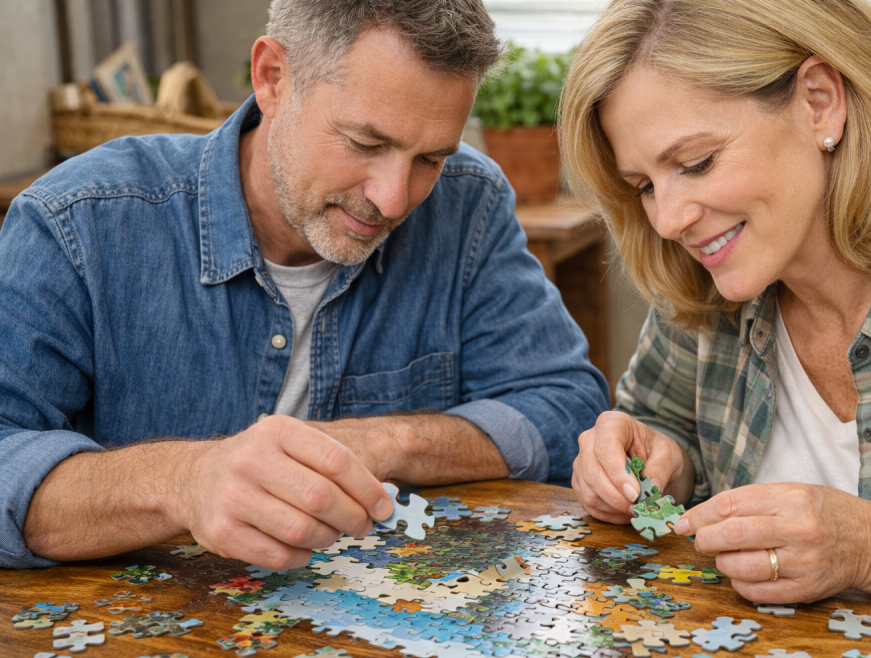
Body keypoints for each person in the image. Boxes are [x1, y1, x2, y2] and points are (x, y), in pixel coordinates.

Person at [0, 0, 609, 571]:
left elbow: (566, 407)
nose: (394, 199)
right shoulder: (75, 223)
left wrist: (387, 443)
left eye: (430, 159)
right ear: (272, 78)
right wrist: (184, 481)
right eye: (366, 143)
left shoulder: (467, 203)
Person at [562, 0, 871, 619]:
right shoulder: (704, 281)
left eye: (696, 163)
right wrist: (654, 462)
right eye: (644, 186)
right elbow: (665, 428)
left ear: (819, 102)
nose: (668, 221)